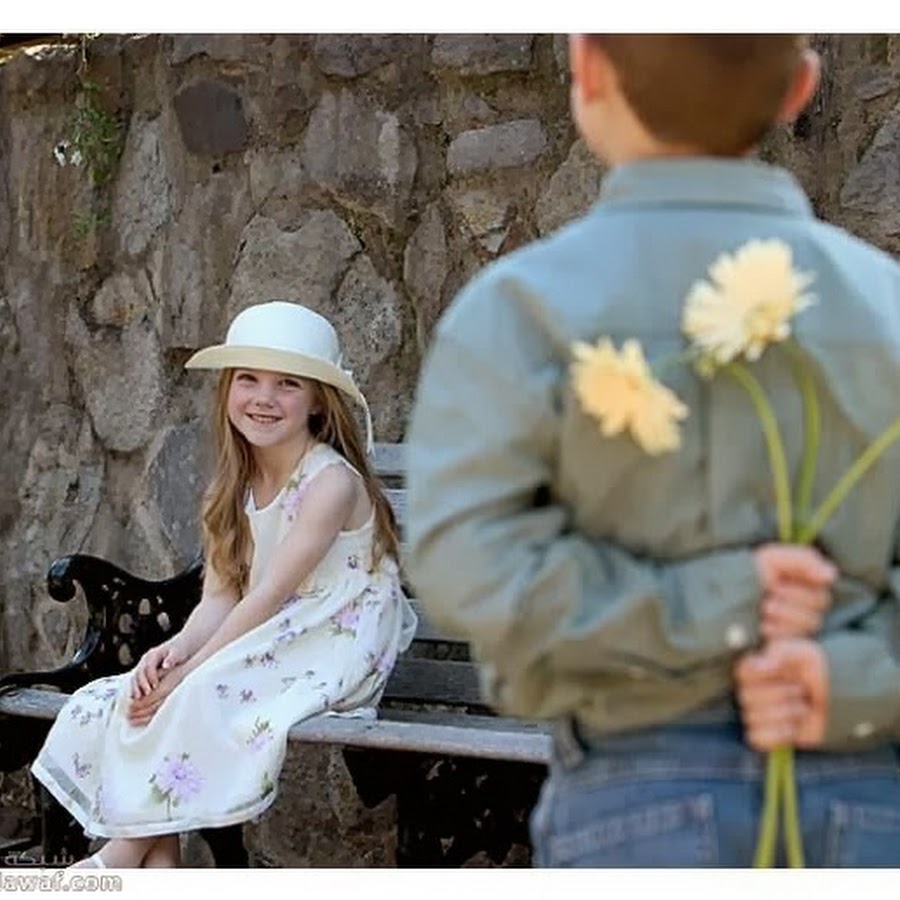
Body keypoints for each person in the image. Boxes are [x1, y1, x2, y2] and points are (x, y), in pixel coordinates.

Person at [405, 35, 900, 866]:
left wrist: (716, 601)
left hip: (635, 795)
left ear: (589, 68)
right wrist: (856, 681)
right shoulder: (884, 306)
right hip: (873, 787)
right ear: (800, 89)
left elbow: (464, 564)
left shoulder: (521, 307)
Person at [32, 300, 417, 868]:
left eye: (287, 383)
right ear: (228, 391)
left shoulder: (330, 483)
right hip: (265, 634)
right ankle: (155, 866)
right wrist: (173, 652)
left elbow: (270, 596)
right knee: (113, 698)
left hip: (331, 642)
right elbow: (222, 596)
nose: (264, 398)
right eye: (248, 380)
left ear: (318, 400)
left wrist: (190, 673)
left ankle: (111, 862)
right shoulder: (231, 485)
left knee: (192, 695)